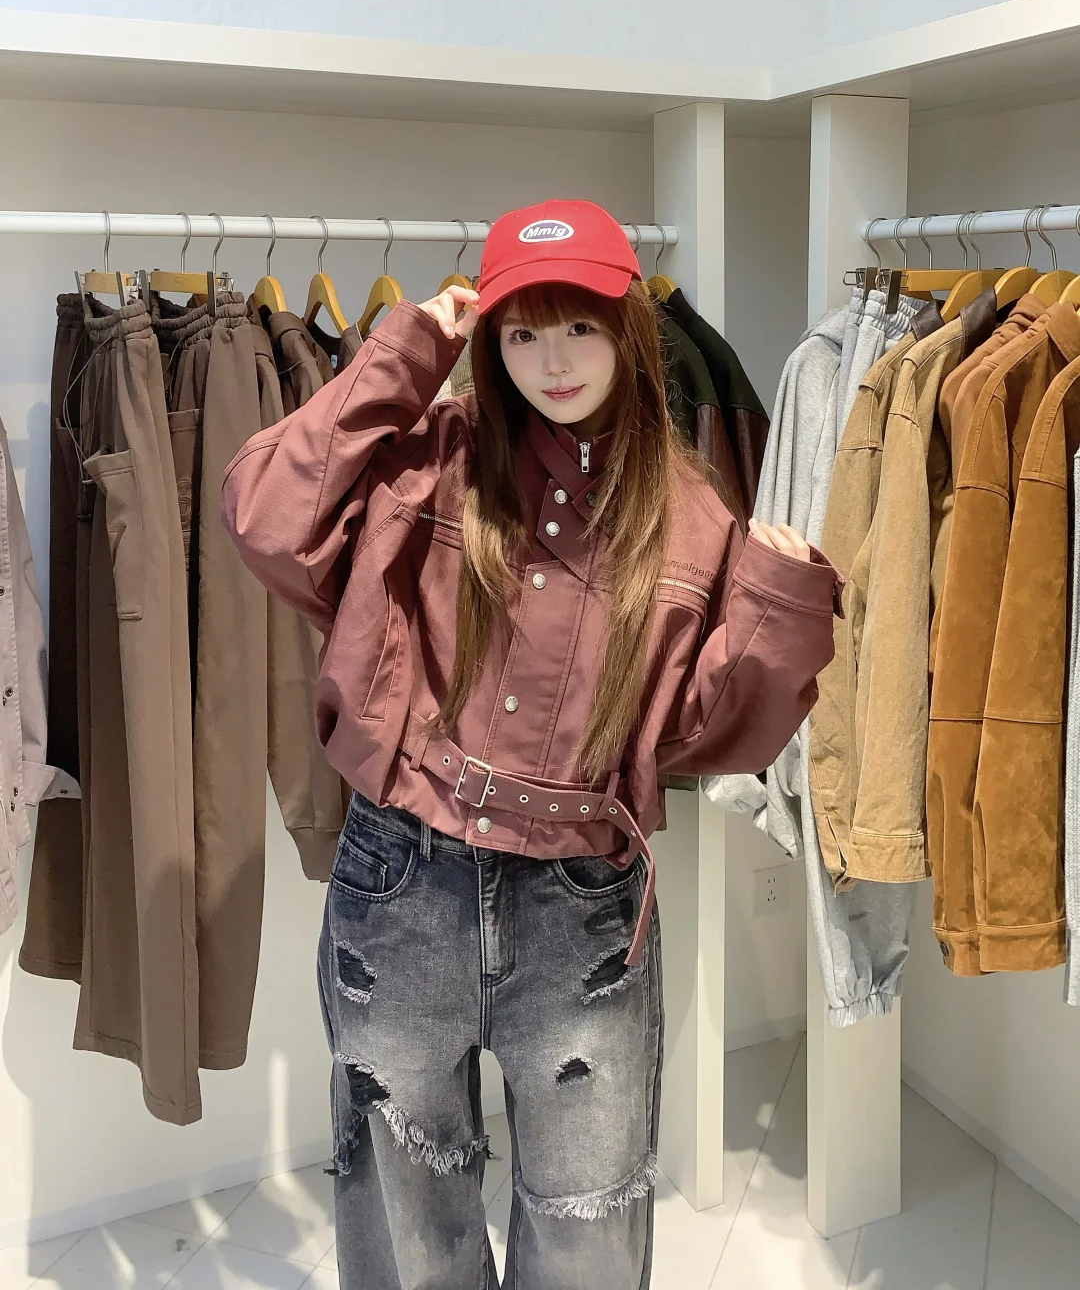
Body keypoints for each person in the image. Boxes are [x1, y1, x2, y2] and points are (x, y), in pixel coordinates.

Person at [222, 199, 839, 1290]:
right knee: (404, 1208)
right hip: (400, 882)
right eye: (523, 332)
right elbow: (268, 518)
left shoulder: (689, 514)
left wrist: (782, 609)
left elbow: (709, 735)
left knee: (587, 1226)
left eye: (581, 327)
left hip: (578, 909)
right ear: (490, 340)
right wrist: (406, 354)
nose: (553, 362)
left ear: (628, 330)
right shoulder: (430, 460)